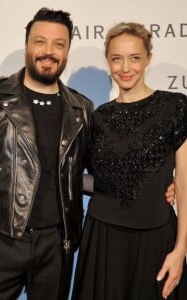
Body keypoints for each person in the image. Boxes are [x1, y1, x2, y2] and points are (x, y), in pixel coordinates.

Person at [0, 7, 93, 300]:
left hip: (57, 245)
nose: (49, 51)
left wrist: (159, 186)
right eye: (40, 41)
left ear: (67, 50)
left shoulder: (81, 109)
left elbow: (90, 173)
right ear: (27, 46)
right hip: (1, 241)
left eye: (59, 44)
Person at [72, 22, 187, 300]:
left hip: (156, 237)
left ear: (148, 57)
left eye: (134, 57)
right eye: (117, 58)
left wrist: (181, 249)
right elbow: (90, 178)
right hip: (103, 238)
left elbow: (183, 180)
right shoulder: (96, 117)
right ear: (108, 61)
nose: (125, 68)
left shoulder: (175, 106)